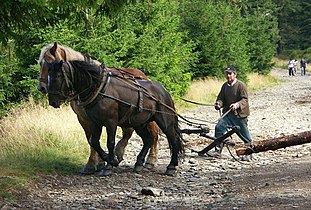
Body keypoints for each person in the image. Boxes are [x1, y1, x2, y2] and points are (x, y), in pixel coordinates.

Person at [208, 66, 252, 161]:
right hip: (227, 114)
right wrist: (218, 104)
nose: (228, 76)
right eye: (226, 74)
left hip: (239, 115)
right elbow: (221, 98)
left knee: (244, 135)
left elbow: (245, 99)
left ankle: (250, 152)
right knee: (219, 128)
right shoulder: (225, 86)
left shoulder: (241, 85)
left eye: (230, 74)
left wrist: (237, 104)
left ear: (234, 74)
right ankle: (217, 151)